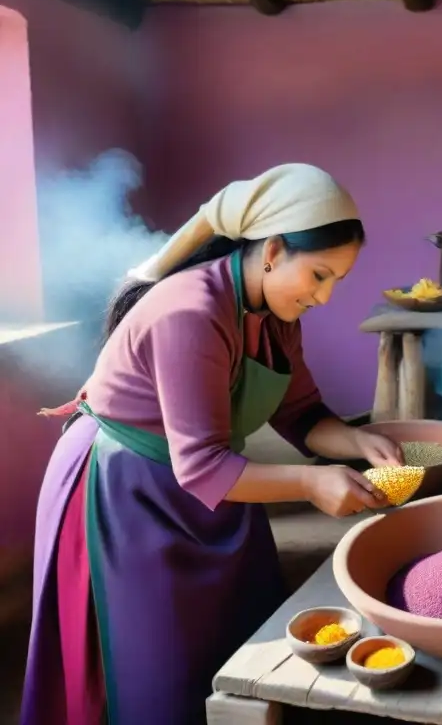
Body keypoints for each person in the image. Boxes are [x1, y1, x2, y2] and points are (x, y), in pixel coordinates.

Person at [21, 164, 405, 725]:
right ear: (272, 249)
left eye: (335, 282)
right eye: (319, 275)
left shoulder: (277, 313)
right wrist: (312, 481)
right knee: (154, 671)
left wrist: (356, 440)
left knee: (237, 635)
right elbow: (201, 467)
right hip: (123, 494)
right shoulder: (191, 312)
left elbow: (300, 413)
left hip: (211, 484)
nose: (323, 297)